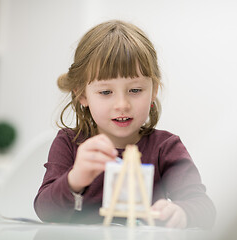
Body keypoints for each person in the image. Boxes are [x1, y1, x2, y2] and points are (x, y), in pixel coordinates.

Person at [34, 20, 216, 229]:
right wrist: (74, 180)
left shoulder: (166, 148)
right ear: (82, 94)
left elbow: (205, 209)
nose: (122, 105)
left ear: (154, 90)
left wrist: (183, 213)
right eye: (105, 92)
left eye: (135, 90)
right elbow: (44, 211)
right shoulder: (70, 143)